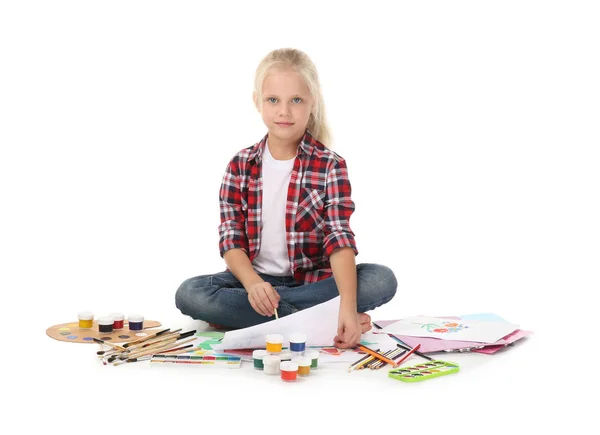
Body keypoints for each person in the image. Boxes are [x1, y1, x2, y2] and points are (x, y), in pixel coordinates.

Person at [176, 48, 397, 348]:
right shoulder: (240, 165)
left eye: (296, 100)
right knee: (190, 293)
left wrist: (346, 304)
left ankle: (264, 317)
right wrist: (253, 284)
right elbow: (231, 239)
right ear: (257, 102)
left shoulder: (330, 165)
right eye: (273, 100)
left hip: (313, 282)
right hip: (253, 283)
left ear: (312, 103)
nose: (284, 111)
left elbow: (339, 237)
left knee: (381, 279)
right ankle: (313, 318)